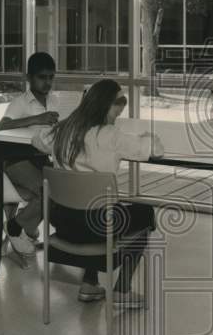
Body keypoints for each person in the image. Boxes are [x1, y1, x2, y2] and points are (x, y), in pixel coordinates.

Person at [33, 79, 163, 308]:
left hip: (63, 221)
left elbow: (38, 141)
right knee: (143, 213)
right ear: (106, 106)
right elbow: (157, 150)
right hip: (98, 226)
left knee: (91, 205)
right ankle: (122, 290)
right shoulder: (111, 135)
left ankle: (90, 283)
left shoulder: (63, 130)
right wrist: (147, 137)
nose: (121, 108)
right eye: (119, 103)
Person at [0, 52, 65, 259]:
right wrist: (37, 118)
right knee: (48, 190)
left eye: (51, 77)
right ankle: (17, 227)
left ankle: (50, 231)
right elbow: (1, 127)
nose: (47, 82)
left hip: (41, 158)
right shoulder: (20, 103)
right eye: (42, 77)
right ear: (29, 78)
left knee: (65, 185)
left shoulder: (54, 100)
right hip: (15, 160)